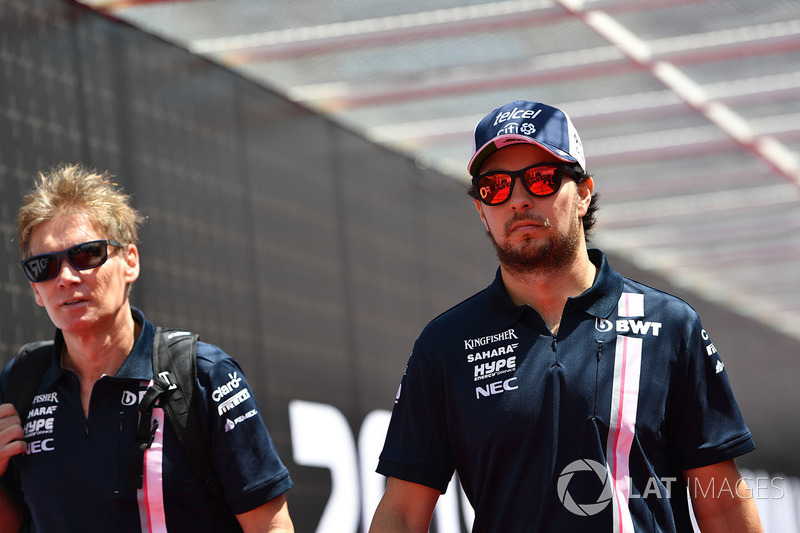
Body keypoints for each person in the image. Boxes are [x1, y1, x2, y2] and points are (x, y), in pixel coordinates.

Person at [369, 101, 762, 532]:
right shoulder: (445, 343)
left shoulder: (669, 324)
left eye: (540, 179)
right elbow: (404, 513)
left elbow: (721, 505)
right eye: (494, 187)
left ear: (584, 194)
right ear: (482, 211)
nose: (518, 199)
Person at [0, 164, 294, 532]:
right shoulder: (21, 382)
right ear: (35, 290)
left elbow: (271, 527)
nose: (66, 278)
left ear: (130, 262)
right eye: (44, 266)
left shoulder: (204, 375)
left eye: (86, 255)